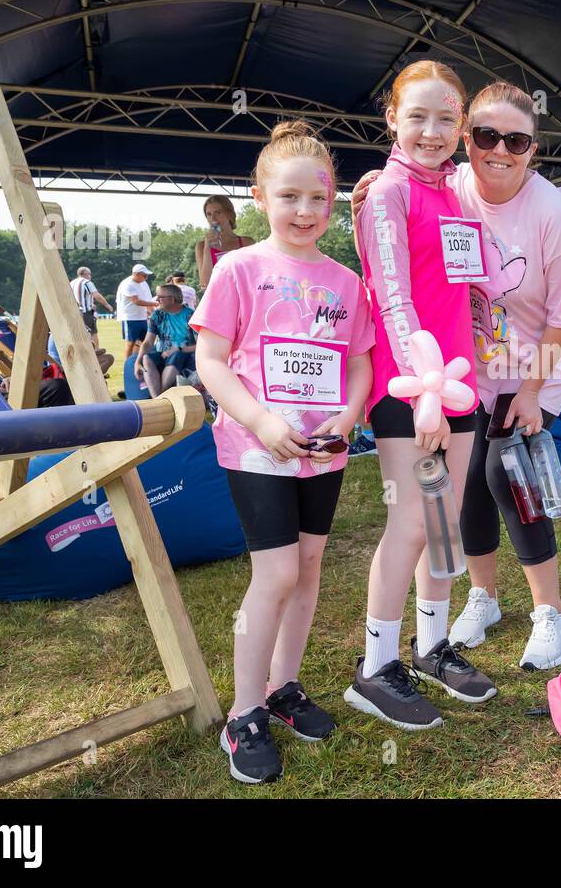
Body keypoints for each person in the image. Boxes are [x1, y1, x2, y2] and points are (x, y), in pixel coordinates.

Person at [352, 81, 561, 672]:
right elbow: (409, 187)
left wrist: (533, 392)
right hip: (466, 368)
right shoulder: (452, 182)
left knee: (506, 472)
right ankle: (483, 598)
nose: (500, 150)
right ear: (468, 137)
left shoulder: (555, 215)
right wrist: (369, 191)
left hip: (536, 367)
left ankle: (551, 612)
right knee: (461, 494)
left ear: (534, 148)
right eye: (486, 135)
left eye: (516, 140)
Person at [190, 120, 376, 785]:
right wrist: (262, 420)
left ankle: (283, 688)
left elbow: (359, 364)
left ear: (333, 202)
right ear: (259, 198)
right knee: (274, 575)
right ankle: (243, 716)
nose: (305, 211)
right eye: (289, 197)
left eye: (318, 199)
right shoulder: (238, 268)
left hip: (324, 452)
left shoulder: (346, 282)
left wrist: (351, 415)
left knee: (309, 565)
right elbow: (209, 361)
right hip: (255, 448)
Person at [349, 60, 497, 732]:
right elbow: (395, 297)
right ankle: (375, 668)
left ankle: (432, 646)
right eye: (418, 117)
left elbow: (458, 282)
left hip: (458, 383)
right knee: (412, 521)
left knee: (444, 525)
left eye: (445, 119)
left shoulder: (454, 193)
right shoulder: (387, 192)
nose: (432, 131)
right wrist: (426, 392)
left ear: (461, 125)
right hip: (409, 386)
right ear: (393, 120)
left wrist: (478, 311)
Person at [134, 283, 197, 397]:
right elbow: (148, 342)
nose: (157, 299)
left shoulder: (191, 315)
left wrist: (178, 349)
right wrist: (138, 361)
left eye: (160, 297)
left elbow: (201, 345)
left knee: (177, 354)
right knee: (146, 358)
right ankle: (157, 399)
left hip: (184, 353)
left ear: (172, 299)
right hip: (163, 354)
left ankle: (160, 397)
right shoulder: (157, 315)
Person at [195, 194, 252, 292]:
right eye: (209, 214)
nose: (213, 218)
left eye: (218, 212)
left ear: (229, 214)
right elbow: (205, 284)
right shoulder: (202, 247)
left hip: (244, 300)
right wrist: (207, 249)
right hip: (218, 301)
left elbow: (255, 277)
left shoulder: (247, 243)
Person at [116, 264, 157, 360]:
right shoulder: (127, 284)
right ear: (137, 274)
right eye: (144, 275)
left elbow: (147, 299)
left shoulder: (144, 284)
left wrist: (152, 313)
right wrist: (154, 304)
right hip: (130, 317)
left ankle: (140, 360)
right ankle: (128, 364)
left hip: (142, 317)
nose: (146, 278)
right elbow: (136, 301)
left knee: (144, 341)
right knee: (131, 342)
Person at [69, 266, 112, 348]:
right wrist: (107, 305)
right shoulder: (86, 282)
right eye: (89, 274)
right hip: (86, 312)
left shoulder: (72, 283)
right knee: (93, 333)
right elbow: (96, 295)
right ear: (85, 274)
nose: (90, 276)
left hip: (74, 313)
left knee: (78, 334)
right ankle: (96, 352)